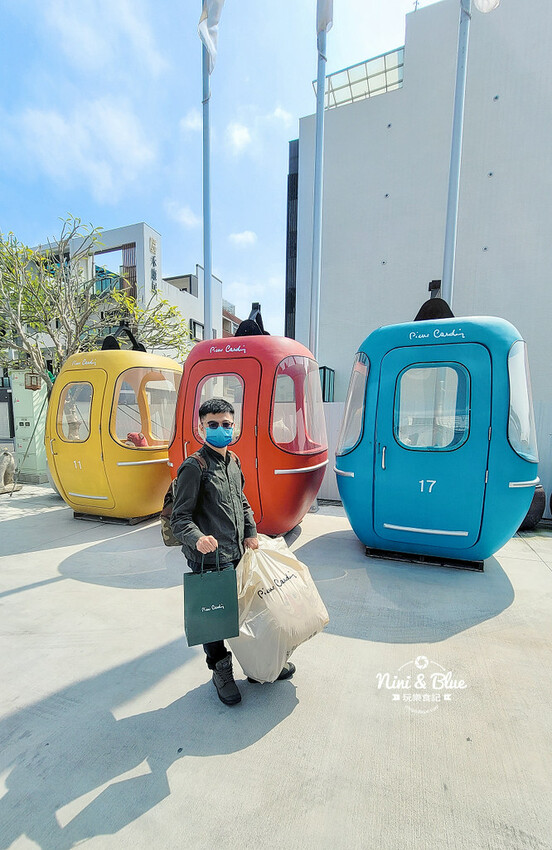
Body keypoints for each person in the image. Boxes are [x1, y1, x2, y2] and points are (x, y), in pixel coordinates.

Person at [171, 397, 294, 706]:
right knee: (216, 621)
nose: (221, 430)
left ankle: (259, 665)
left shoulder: (234, 461)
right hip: (210, 559)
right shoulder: (193, 467)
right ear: (200, 428)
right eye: (213, 425)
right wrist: (197, 538)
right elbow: (180, 518)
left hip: (239, 553)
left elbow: (241, 500)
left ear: (234, 426)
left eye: (226, 424)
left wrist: (251, 532)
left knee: (250, 613)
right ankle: (220, 671)